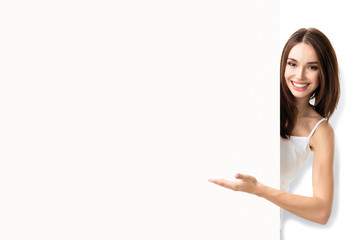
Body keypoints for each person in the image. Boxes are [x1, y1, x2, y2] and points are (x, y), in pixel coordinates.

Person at [208, 28, 340, 230]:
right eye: (292, 64)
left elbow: (321, 211)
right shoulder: (257, 99)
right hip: (214, 212)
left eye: (312, 67)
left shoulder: (320, 131)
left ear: (324, 73)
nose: (300, 75)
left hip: (262, 226)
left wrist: (259, 190)